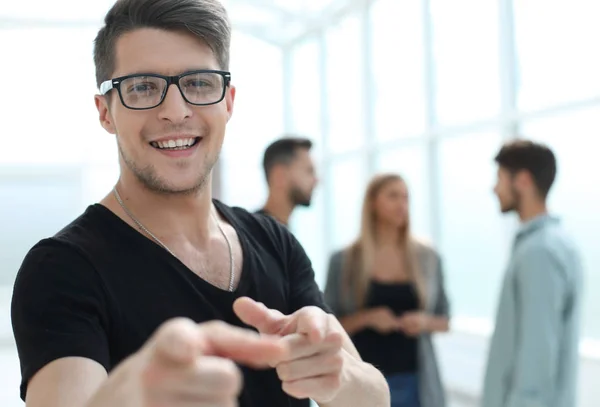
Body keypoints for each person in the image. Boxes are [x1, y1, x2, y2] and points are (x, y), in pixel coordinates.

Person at [9, 1, 389, 407]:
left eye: (199, 83)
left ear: (228, 101)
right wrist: (125, 396)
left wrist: (337, 374)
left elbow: (374, 397)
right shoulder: (63, 269)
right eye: (142, 87)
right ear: (106, 112)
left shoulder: (275, 242)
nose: (175, 111)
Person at [324, 173, 450, 407]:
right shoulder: (344, 261)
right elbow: (327, 323)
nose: (402, 204)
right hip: (361, 381)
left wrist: (423, 322)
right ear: (372, 203)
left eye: (406, 197)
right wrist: (367, 319)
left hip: (415, 382)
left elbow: (445, 320)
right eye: (393, 196)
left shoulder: (428, 257)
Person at [483, 139, 583, 407]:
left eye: (500, 178)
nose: (494, 188)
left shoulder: (540, 252)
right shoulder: (550, 244)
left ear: (523, 181)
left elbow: (537, 359)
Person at [256, 136, 318, 227]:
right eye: (309, 171)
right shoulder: (256, 232)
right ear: (280, 175)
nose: (316, 180)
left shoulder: (280, 231)